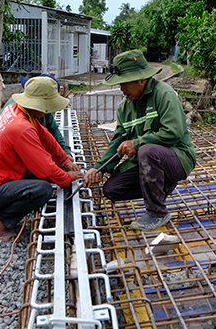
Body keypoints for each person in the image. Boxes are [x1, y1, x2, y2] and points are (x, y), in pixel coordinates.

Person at [83, 50, 196, 231]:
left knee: (146, 150)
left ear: (142, 80)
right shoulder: (125, 107)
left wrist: (136, 143)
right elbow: (118, 140)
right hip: (148, 162)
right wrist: (100, 168)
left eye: (125, 83)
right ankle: (162, 184)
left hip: (178, 158)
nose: (122, 89)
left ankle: (157, 213)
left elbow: (173, 132)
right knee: (112, 189)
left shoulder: (163, 94)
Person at [0, 76, 82, 241]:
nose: (48, 112)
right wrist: (66, 177)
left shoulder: (16, 110)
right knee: (42, 190)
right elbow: (46, 168)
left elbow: (45, 137)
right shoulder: (21, 128)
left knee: (43, 175)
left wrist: (64, 160)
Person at [0, 74, 72, 156]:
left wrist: (65, 152)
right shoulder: (20, 119)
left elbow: (52, 129)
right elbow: (33, 153)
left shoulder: (37, 110)